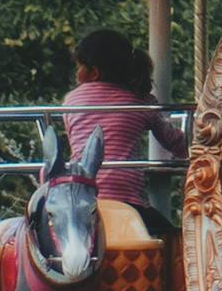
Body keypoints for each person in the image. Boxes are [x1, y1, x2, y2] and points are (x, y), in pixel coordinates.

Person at [61, 28, 161, 213]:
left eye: (79, 66)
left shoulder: (72, 100)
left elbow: (74, 140)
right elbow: (173, 140)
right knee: (167, 233)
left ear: (93, 73)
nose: (77, 72)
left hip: (80, 195)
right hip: (127, 199)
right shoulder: (141, 101)